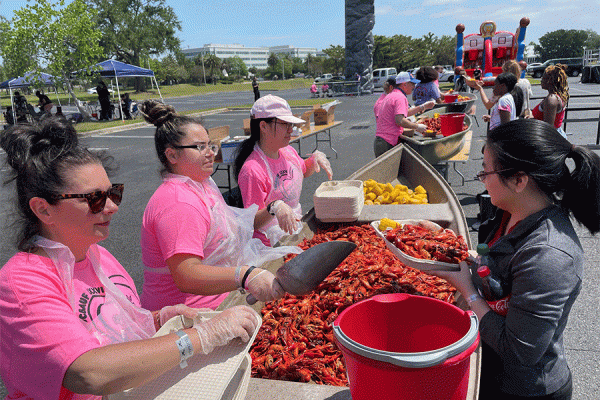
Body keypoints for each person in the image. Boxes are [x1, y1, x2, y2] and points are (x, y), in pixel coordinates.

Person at [0, 117, 260, 399]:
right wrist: (201, 337)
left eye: (113, 193)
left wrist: (158, 319)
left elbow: (110, 324)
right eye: (94, 199)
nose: (111, 207)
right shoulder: (22, 283)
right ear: (44, 209)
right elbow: (88, 372)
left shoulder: (98, 256)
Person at [429, 118, 600, 400]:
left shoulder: (550, 255)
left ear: (519, 180)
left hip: (525, 389)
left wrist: (468, 291)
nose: (481, 179)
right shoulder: (510, 210)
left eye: (486, 171)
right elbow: (498, 264)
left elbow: (518, 350)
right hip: (493, 368)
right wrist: (459, 251)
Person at [139, 100, 299, 312]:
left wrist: (272, 209)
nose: (210, 153)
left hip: (219, 297)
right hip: (189, 313)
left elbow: (235, 224)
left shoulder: (202, 184)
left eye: (209, 145)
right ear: (172, 155)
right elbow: (187, 276)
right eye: (199, 147)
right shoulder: (178, 203)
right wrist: (245, 275)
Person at [234, 94, 333, 246]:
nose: (290, 130)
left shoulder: (288, 151)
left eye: (290, 125)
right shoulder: (252, 170)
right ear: (263, 126)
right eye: (284, 124)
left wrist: (313, 161)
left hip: (292, 231)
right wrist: (274, 207)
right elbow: (252, 222)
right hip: (269, 244)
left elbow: (302, 171)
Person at [373, 72, 435, 158]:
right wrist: (417, 126)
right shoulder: (400, 97)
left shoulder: (392, 95)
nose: (414, 87)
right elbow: (400, 120)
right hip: (387, 143)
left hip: (382, 141)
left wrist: (423, 106)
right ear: (404, 84)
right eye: (412, 84)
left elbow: (405, 112)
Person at [527, 64, 569, 139]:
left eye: (543, 78)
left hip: (551, 139)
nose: (541, 80)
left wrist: (532, 121)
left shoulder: (552, 99)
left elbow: (548, 128)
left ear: (550, 80)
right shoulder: (556, 96)